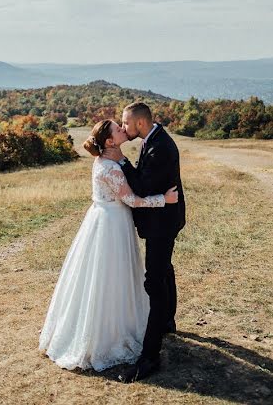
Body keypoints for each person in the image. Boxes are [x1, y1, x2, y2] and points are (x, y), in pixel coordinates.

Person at [38, 119, 179, 372]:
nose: (123, 129)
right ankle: (107, 336)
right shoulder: (109, 168)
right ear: (110, 141)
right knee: (108, 278)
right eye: (118, 128)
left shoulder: (110, 160)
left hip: (108, 220)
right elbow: (133, 201)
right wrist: (164, 199)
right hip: (111, 226)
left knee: (113, 277)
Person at [101, 102, 186, 383]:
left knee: (154, 282)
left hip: (163, 223)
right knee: (164, 269)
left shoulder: (161, 147)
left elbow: (142, 187)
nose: (124, 128)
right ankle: (167, 321)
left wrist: (122, 160)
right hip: (164, 219)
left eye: (126, 124)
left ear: (139, 124)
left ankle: (150, 356)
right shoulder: (154, 139)